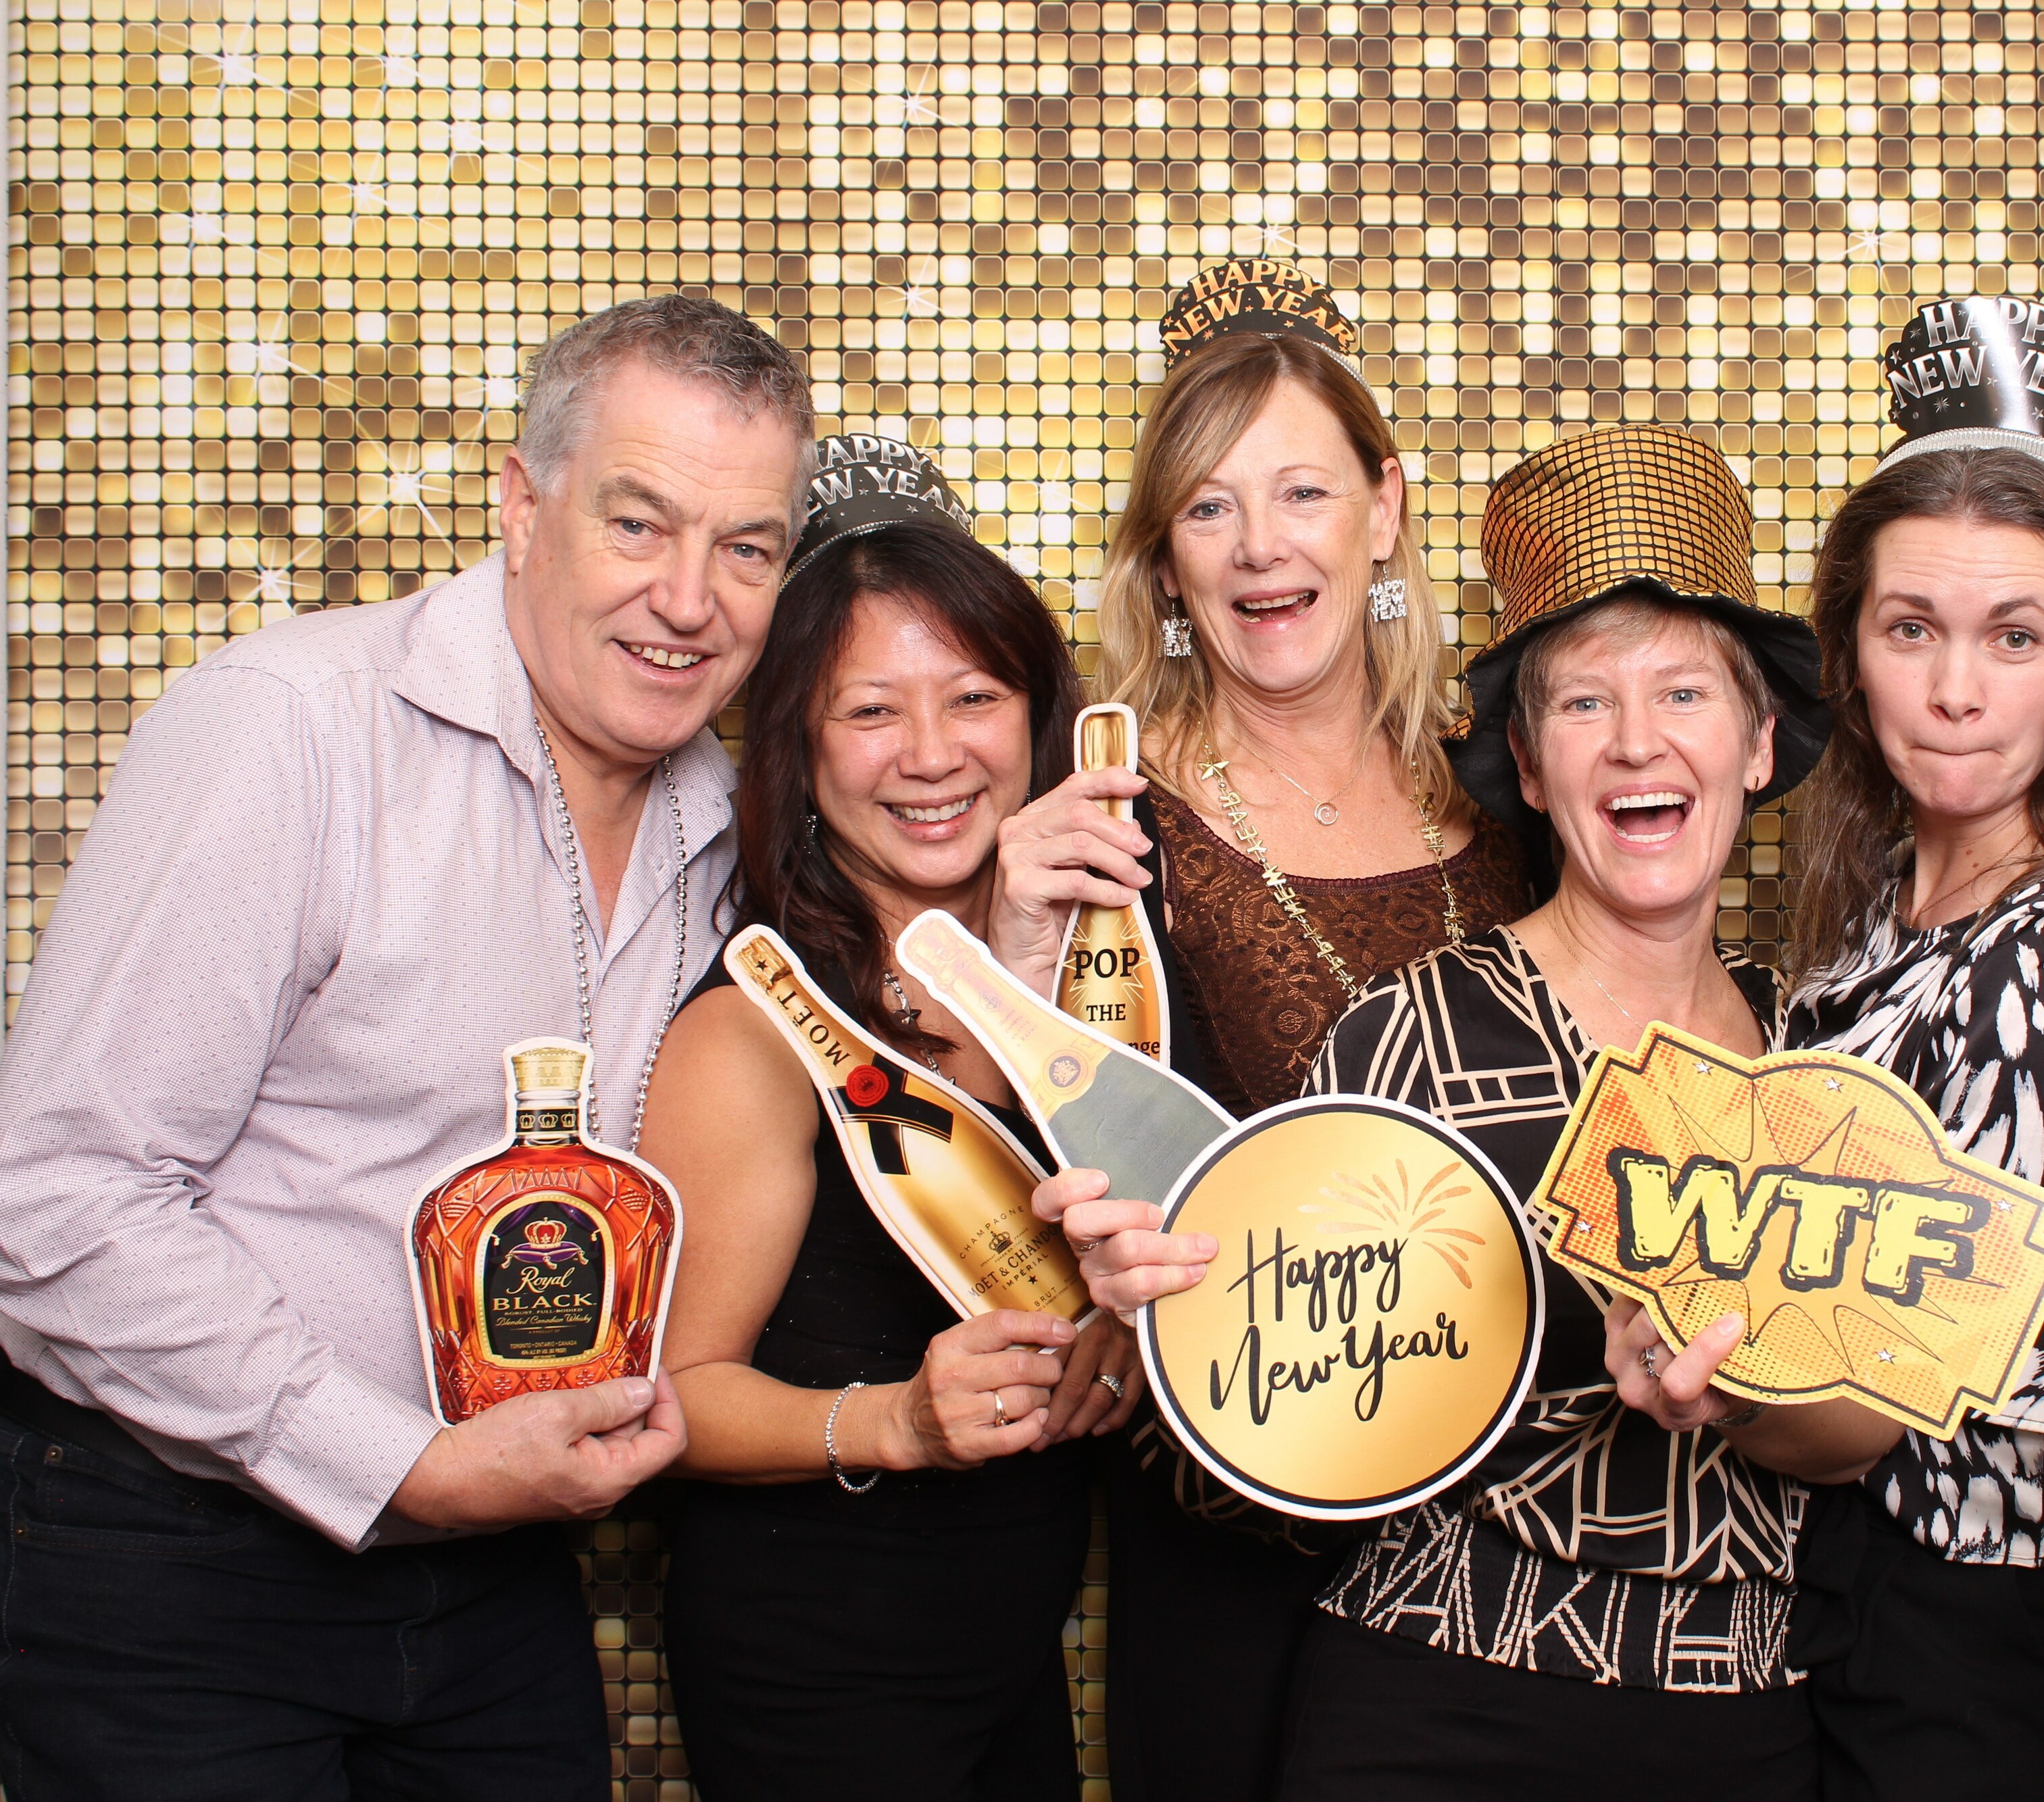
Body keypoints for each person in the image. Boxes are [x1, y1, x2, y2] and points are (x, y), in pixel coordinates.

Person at [0, 295, 812, 1798]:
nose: (689, 598)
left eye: (747, 548)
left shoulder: (724, 820)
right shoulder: (291, 729)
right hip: (178, 1563)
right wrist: (399, 1460)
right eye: (638, 523)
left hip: (495, 1573)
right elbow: (52, 1195)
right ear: (523, 507)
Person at [1049, 424, 1879, 1800]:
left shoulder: (1820, 1062)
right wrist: (1170, 1327)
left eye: (1683, 692)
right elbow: (1248, 1459)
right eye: (1583, 703)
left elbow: (1862, 1437)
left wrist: (1734, 1396)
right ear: (1532, 770)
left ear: (1757, 746)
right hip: (1439, 1706)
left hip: (1744, 1719)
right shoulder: (1408, 1040)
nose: (1637, 741)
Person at [1626, 298, 2044, 1801]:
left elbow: (1870, 1410)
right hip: (1875, 1606)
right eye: (1911, 631)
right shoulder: (1882, 914)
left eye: (2013, 636)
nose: (1955, 690)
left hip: (1997, 1645)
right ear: (1849, 658)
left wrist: (1708, 1384)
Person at [989, 260, 1528, 1802]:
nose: (1260, 546)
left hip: (1498, 1515)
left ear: (1384, 508)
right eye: (1209, 508)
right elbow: (1014, 1175)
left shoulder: (1506, 792)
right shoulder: (1102, 817)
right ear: (1166, 561)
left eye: (1301, 492)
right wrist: (1013, 944)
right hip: (1230, 1523)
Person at [641, 434, 1139, 1801]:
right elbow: (673, 1397)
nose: (930, 755)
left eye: (973, 697)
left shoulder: (1088, 982)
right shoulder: (755, 1035)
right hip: (817, 1664)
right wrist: (897, 1424)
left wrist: (1127, 1332)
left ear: (1036, 721)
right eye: (869, 711)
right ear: (798, 747)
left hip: (1007, 1651)